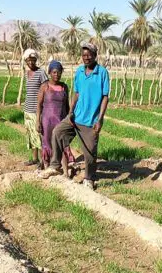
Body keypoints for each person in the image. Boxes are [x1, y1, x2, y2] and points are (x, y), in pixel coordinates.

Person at [40, 42, 109, 190]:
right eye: (83, 55)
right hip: (75, 117)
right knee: (58, 132)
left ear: (95, 56)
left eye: (88, 55)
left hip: (91, 121)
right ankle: (55, 165)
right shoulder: (79, 72)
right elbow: (76, 93)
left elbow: (105, 97)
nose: (86, 58)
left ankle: (89, 178)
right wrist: (71, 111)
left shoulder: (102, 73)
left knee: (90, 153)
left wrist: (100, 119)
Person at [36, 60, 75, 173]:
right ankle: (47, 168)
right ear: (49, 73)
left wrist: (69, 119)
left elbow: (66, 105)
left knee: (61, 144)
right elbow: (38, 105)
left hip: (60, 120)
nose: (56, 75)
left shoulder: (64, 87)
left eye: (58, 72)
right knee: (47, 143)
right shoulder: (45, 86)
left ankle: (65, 171)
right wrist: (37, 121)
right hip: (47, 121)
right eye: (54, 72)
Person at [23, 49, 48, 167]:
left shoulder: (41, 73)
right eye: (28, 60)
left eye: (33, 60)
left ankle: (44, 160)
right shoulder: (26, 73)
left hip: (37, 110)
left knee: (39, 135)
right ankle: (34, 159)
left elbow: (46, 90)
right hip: (27, 108)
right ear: (25, 61)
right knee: (30, 135)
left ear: (36, 60)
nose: (31, 63)